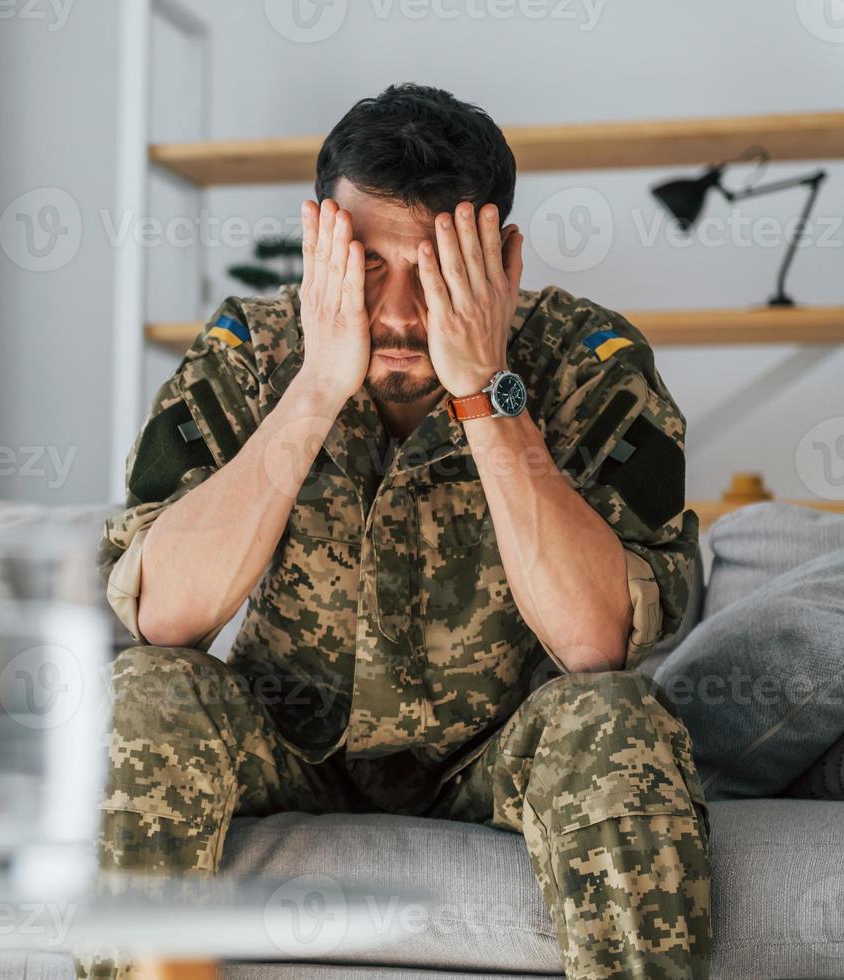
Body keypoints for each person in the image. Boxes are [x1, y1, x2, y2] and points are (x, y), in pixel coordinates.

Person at [93, 83, 708, 980]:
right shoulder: (247, 352)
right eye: (367, 265)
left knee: (618, 715)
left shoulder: (587, 365)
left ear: (500, 259)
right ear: (317, 245)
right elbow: (165, 619)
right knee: (145, 687)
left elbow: (594, 642)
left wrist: (484, 391)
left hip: (498, 760)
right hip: (286, 748)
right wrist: (315, 385)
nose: (398, 312)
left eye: (435, 271)